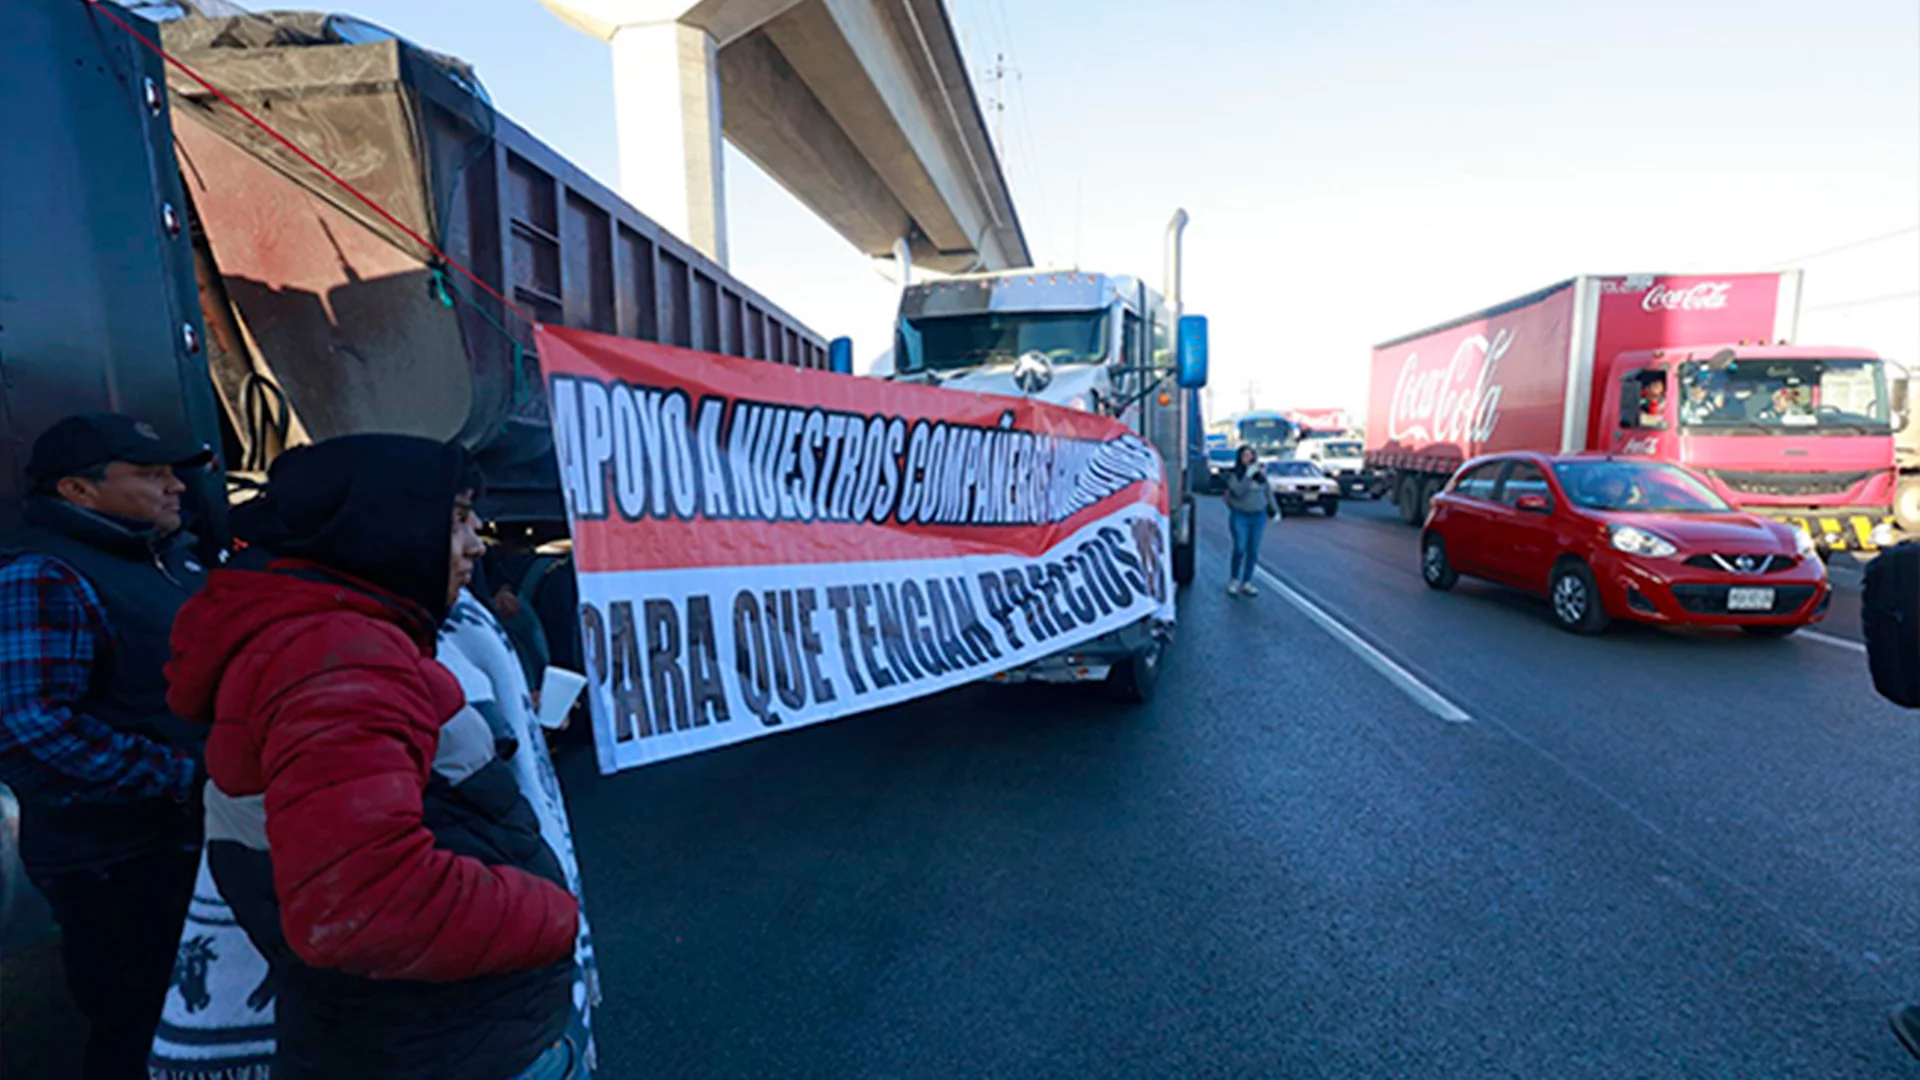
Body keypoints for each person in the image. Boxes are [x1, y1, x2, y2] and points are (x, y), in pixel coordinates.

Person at [163, 434, 579, 1080]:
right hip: (439, 1042)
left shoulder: (342, 635)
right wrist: (552, 914)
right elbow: (361, 905)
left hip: (417, 1030)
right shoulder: (338, 657)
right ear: (387, 522)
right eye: (457, 521)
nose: (476, 543)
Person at [0, 413, 213, 1079]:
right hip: (116, 860)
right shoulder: (44, 575)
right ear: (78, 491)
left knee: (194, 1024)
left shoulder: (163, 562)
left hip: (178, 840)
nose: (174, 487)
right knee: (138, 1028)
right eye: (149, 475)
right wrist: (182, 774)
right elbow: (31, 726)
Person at [1222, 445, 1279, 597]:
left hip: (1258, 516)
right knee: (1240, 548)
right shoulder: (1235, 475)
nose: (1249, 459)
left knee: (1253, 551)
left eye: (1251, 456)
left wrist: (1274, 509)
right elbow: (1238, 492)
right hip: (1240, 515)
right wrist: (1247, 476)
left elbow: (1267, 492)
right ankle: (1234, 580)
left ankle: (1247, 582)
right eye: (1245, 456)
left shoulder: (1260, 476)